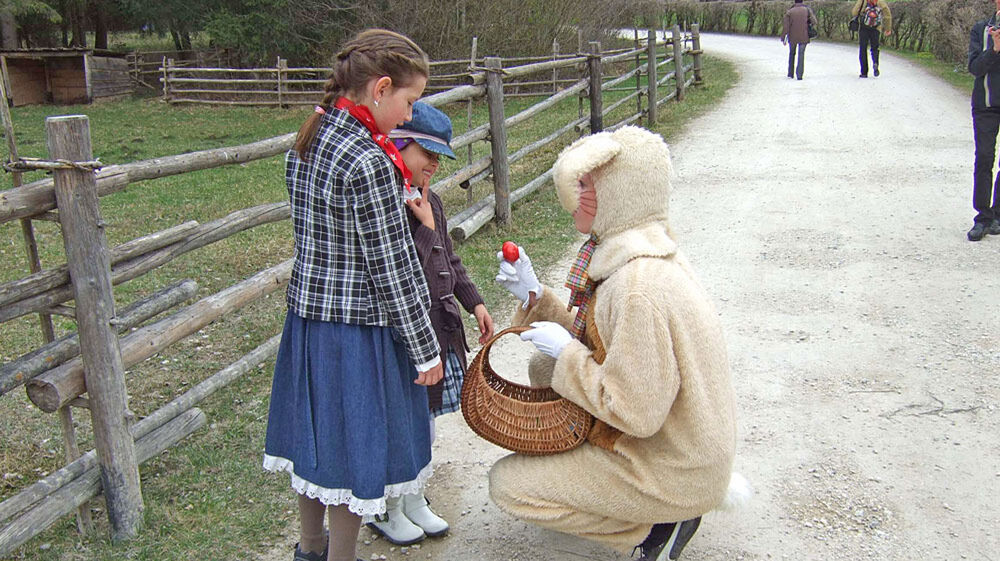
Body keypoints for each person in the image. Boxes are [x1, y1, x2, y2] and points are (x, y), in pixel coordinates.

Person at [490, 126, 749, 561]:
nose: (574, 195)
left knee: (509, 485)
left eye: (587, 185)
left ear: (618, 193)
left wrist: (567, 354)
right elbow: (606, 344)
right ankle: (637, 499)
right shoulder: (641, 257)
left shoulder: (635, 288)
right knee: (543, 368)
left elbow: (635, 412)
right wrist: (536, 298)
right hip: (678, 448)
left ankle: (655, 526)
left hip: (670, 466)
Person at [262, 29, 444, 561]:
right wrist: (425, 348)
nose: (408, 116)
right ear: (380, 88)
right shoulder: (369, 160)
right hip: (357, 332)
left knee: (317, 443)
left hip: (308, 325)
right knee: (354, 451)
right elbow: (393, 267)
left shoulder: (309, 139)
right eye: (409, 102)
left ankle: (310, 549)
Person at [367, 102, 496, 543]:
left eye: (440, 156)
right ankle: (386, 507)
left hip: (439, 330)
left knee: (425, 423)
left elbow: (448, 259)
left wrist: (474, 302)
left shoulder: (431, 202)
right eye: (427, 153)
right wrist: (422, 226)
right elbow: (404, 270)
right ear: (398, 145)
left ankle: (414, 497)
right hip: (406, 335)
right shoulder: (391, 205)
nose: (435, 164)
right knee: (398, 422)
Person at [966, 0, 1000, 241]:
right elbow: (975, 68)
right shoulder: (981, 29)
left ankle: (998, 214)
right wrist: (994, 48)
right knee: (985, 158)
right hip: (986, 105)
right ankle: (983, 217)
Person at [851, 0, 892, 78]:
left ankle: (864, 72)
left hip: (864, 27)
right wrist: (888, 28)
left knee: (863, 49)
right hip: (876, 28)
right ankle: (875, 63)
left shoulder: (863, 1)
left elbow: (854, 12)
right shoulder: (880, 1)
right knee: (875, 48)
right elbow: (887, 15)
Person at [781, 0, 818, 80]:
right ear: (802, 1)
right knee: (801, 54)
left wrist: (783, 38)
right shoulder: (807, 10)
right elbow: (814, 21)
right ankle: (799, 75)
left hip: (792, 36)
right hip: (804, 36)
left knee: (792, 53)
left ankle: (790, 73)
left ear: (795, 2)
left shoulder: (790, 11)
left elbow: (786, 27)